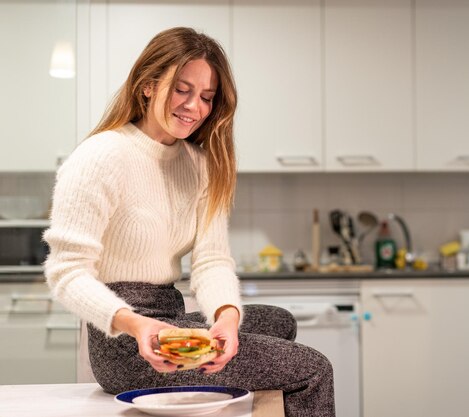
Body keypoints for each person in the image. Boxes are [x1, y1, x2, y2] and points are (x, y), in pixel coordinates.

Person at [43, 27, 335, 417]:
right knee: (313, 369)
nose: (194, 106)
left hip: (170, 316)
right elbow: (67, 272)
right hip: (126, 343)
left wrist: (226, 319)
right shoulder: (100, 157)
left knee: (278, 321)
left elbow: (212, 261)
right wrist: (137, 325)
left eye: (207, 97)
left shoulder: (199, 165)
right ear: (147, 86)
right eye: (182, 89)